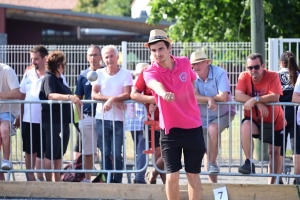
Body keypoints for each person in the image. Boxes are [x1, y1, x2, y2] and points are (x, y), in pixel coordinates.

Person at [143, 29, 206, 200]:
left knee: (193, 174)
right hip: (170, 131)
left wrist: (191, 95)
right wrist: (163, 94)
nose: (157, 53)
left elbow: (192, 82)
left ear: (169, 47)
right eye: (153, 50)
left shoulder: (185, 62)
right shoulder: (149, 71)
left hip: (193, 127)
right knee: (172, 176)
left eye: (160, 49)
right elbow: (154, 84)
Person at [235, 53, 284, 184]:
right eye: (250, 68)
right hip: (255, 120)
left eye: (256, 67)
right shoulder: (244, 76)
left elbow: (275, 96)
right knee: (245, 126)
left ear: (263, 66)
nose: (253, 70)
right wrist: (259, 103)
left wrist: (256, 99)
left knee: (274, 152)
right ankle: (249, 162)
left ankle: (274, 182)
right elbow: (238, 95)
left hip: (275, 121)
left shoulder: (273, 75)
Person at [191, 50, 236, 183]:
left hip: (224, 113)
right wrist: (209, 99)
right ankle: (214, 186)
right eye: (193, 64)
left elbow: (223, 96)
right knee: (206, 149)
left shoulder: (220, 73)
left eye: (199, 63)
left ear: (207, 62)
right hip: (202, 117)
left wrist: (206, 98)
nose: (196, 66)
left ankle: (212, 164)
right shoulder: (191, 76)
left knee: (212, 129)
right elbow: (193, 96)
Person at [92, 45, 132, 183]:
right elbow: (94, 94)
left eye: (111, 56)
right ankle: (107, 182)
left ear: (117, 57)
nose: (109, 59)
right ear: (103, 59)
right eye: (106, 57)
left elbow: (127, 94)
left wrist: (112, 99)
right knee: (105, 153)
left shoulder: (126, 73)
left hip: (119, 120)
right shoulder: (99, 73)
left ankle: (117, 181)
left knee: (116, 153)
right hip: (101, 118)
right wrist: (112, 100)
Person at [39, 50, 82, 182]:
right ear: (60, 66)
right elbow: (50, 95)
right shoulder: (48, 78)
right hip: (53, 121)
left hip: (62, 121)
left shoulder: (59, 79)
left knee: (58, 154)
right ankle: (48, 184)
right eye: (64, 64)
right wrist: (69, 97)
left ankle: (57, 183)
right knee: (51, 153)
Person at [130, 57, 166, 184]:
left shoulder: (171, 70)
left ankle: (153, 174)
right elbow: (134, 95)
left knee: (166, 152)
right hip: (153, 122)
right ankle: (165, 183)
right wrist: (149, 102)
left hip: (170, 119)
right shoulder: (146, 73)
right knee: (157, 151)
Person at [74, 44, 102, 183]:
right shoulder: (82, 75)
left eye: (96, 54)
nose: (93, 58)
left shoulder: (105, 72)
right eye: (91, 55)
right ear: (87, 57)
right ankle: (87, 179)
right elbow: (77, 98)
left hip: (104, 117)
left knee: (107, 151)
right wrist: (80, 119)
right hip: (88, 116)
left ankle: (107, 178)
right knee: (88, 151)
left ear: (101, 57)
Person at [125, 63, 149, 184]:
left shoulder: (132, 85)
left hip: (134, 121)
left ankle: (140, 174)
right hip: (142, 121)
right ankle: (140, 176)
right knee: (142, 149)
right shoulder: (141, 85)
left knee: (140, 149)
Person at [279, 51, 300, 184]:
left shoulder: (276, 75)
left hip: (280, 115)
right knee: (297, 149)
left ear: (281, 63)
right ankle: (297, 178)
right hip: (295, 114)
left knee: (279, 149)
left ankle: (278, 177)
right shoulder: (298, 75)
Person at [0, 62, 20, 180]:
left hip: (6, 110)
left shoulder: (7, 70)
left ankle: (6, 160)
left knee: (4, 130)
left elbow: (17, 93)